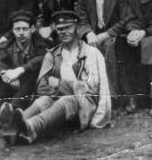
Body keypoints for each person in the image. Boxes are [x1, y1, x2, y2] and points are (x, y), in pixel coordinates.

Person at [8, 10, 111, 144]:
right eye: (60, 29)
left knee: (67, 100)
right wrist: (71, 86)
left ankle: (32, 127)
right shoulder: (52, 54)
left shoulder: (91, 53)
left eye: (68, 28)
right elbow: (42, 87)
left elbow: (90, 89)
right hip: (57, 108)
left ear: (77, 28)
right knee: (43, 100)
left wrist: (59, 84)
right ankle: (14, 129)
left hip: (84, 108)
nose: (63, 32)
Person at [0, 10, 49, 130]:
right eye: (17, 29)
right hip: (8, 86)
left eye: (25, 29)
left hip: (26, 91)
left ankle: (11, 110)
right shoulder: (7, 45)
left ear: (32, 29)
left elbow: (42, 59)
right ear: (13, 30)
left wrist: (20, 70)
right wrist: (4, 73)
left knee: (33, 73)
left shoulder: (40, 46)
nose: (21, 33)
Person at [75, 0, 125, 100]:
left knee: (109, 47)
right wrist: (88, 32)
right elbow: (82, 19)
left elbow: (125, 19)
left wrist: (106, 34)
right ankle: (90, 95)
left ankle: (112, 96)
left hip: (115, 33)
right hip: (94, 34)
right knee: (82, 50)